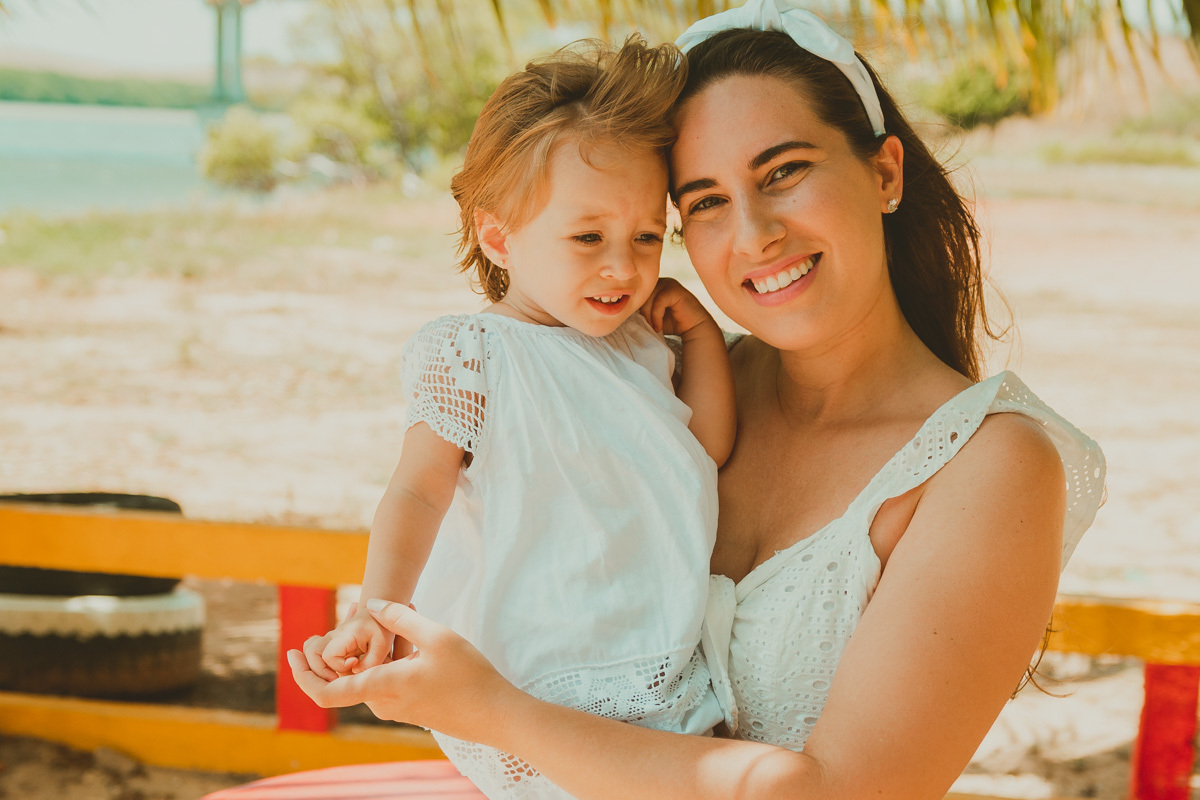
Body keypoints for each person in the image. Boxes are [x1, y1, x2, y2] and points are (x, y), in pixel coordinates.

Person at [289, 1, 1106, 797]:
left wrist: (493, 711)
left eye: (784, 172)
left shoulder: (992, 467)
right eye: (706, 202)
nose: (752, 235)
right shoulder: (667, 384)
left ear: (885, 171)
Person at [299, 35, 740, 799]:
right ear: (498, 236)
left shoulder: (644, 347)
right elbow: (417, 491)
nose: (624, 267)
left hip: (656, 657)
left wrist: (699, 337)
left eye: (646, 237)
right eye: (588, 238)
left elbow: (705, 450)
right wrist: (379, 608)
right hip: (536, 665)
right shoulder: (474, 352)